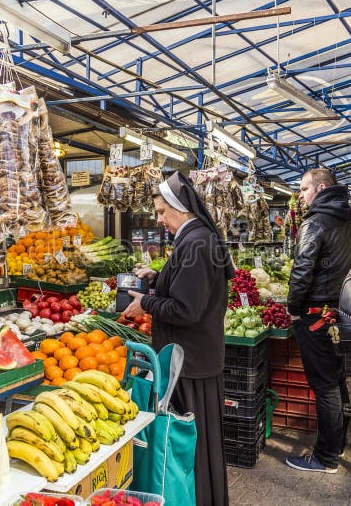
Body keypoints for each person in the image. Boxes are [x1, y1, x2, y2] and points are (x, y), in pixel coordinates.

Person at [122, 171, 233, 505]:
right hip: (192, 360)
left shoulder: (196, 243)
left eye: (161, 212)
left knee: (190, 445)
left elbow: (186, 310)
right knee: (196, 445)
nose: (159, 220)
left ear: (179, 207)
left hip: (189, 365)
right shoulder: (195, 239)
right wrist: (158, 278)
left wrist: (146, 303)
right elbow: (188, 287)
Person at [284, 168, 351, 473]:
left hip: (315, 315)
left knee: (324, 385)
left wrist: (294, 307)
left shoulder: (314, 223)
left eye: (303, 189)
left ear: (321, 187)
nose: (300, 195)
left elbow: (302, 269)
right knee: (336, 378)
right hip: (344, 314)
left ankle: (325, 457)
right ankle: (337, 442)